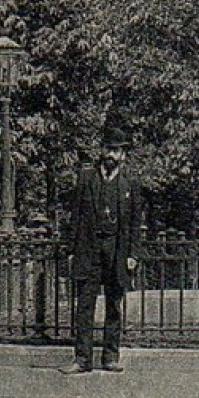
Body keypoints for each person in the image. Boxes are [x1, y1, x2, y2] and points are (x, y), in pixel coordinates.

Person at [61, 131, 145, 375]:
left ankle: (110, 356)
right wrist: (71, 250)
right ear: (101, 151)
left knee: (113, 306)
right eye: (108, 148)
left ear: (123, 155)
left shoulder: (130, 183)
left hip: (117, 251)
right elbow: (75, 218)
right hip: (89, 251)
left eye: (116, 150)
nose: (111, 154)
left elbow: (135, 223)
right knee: (84, 305)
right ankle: (82, 358)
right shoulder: (86, 178)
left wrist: (133, 254)